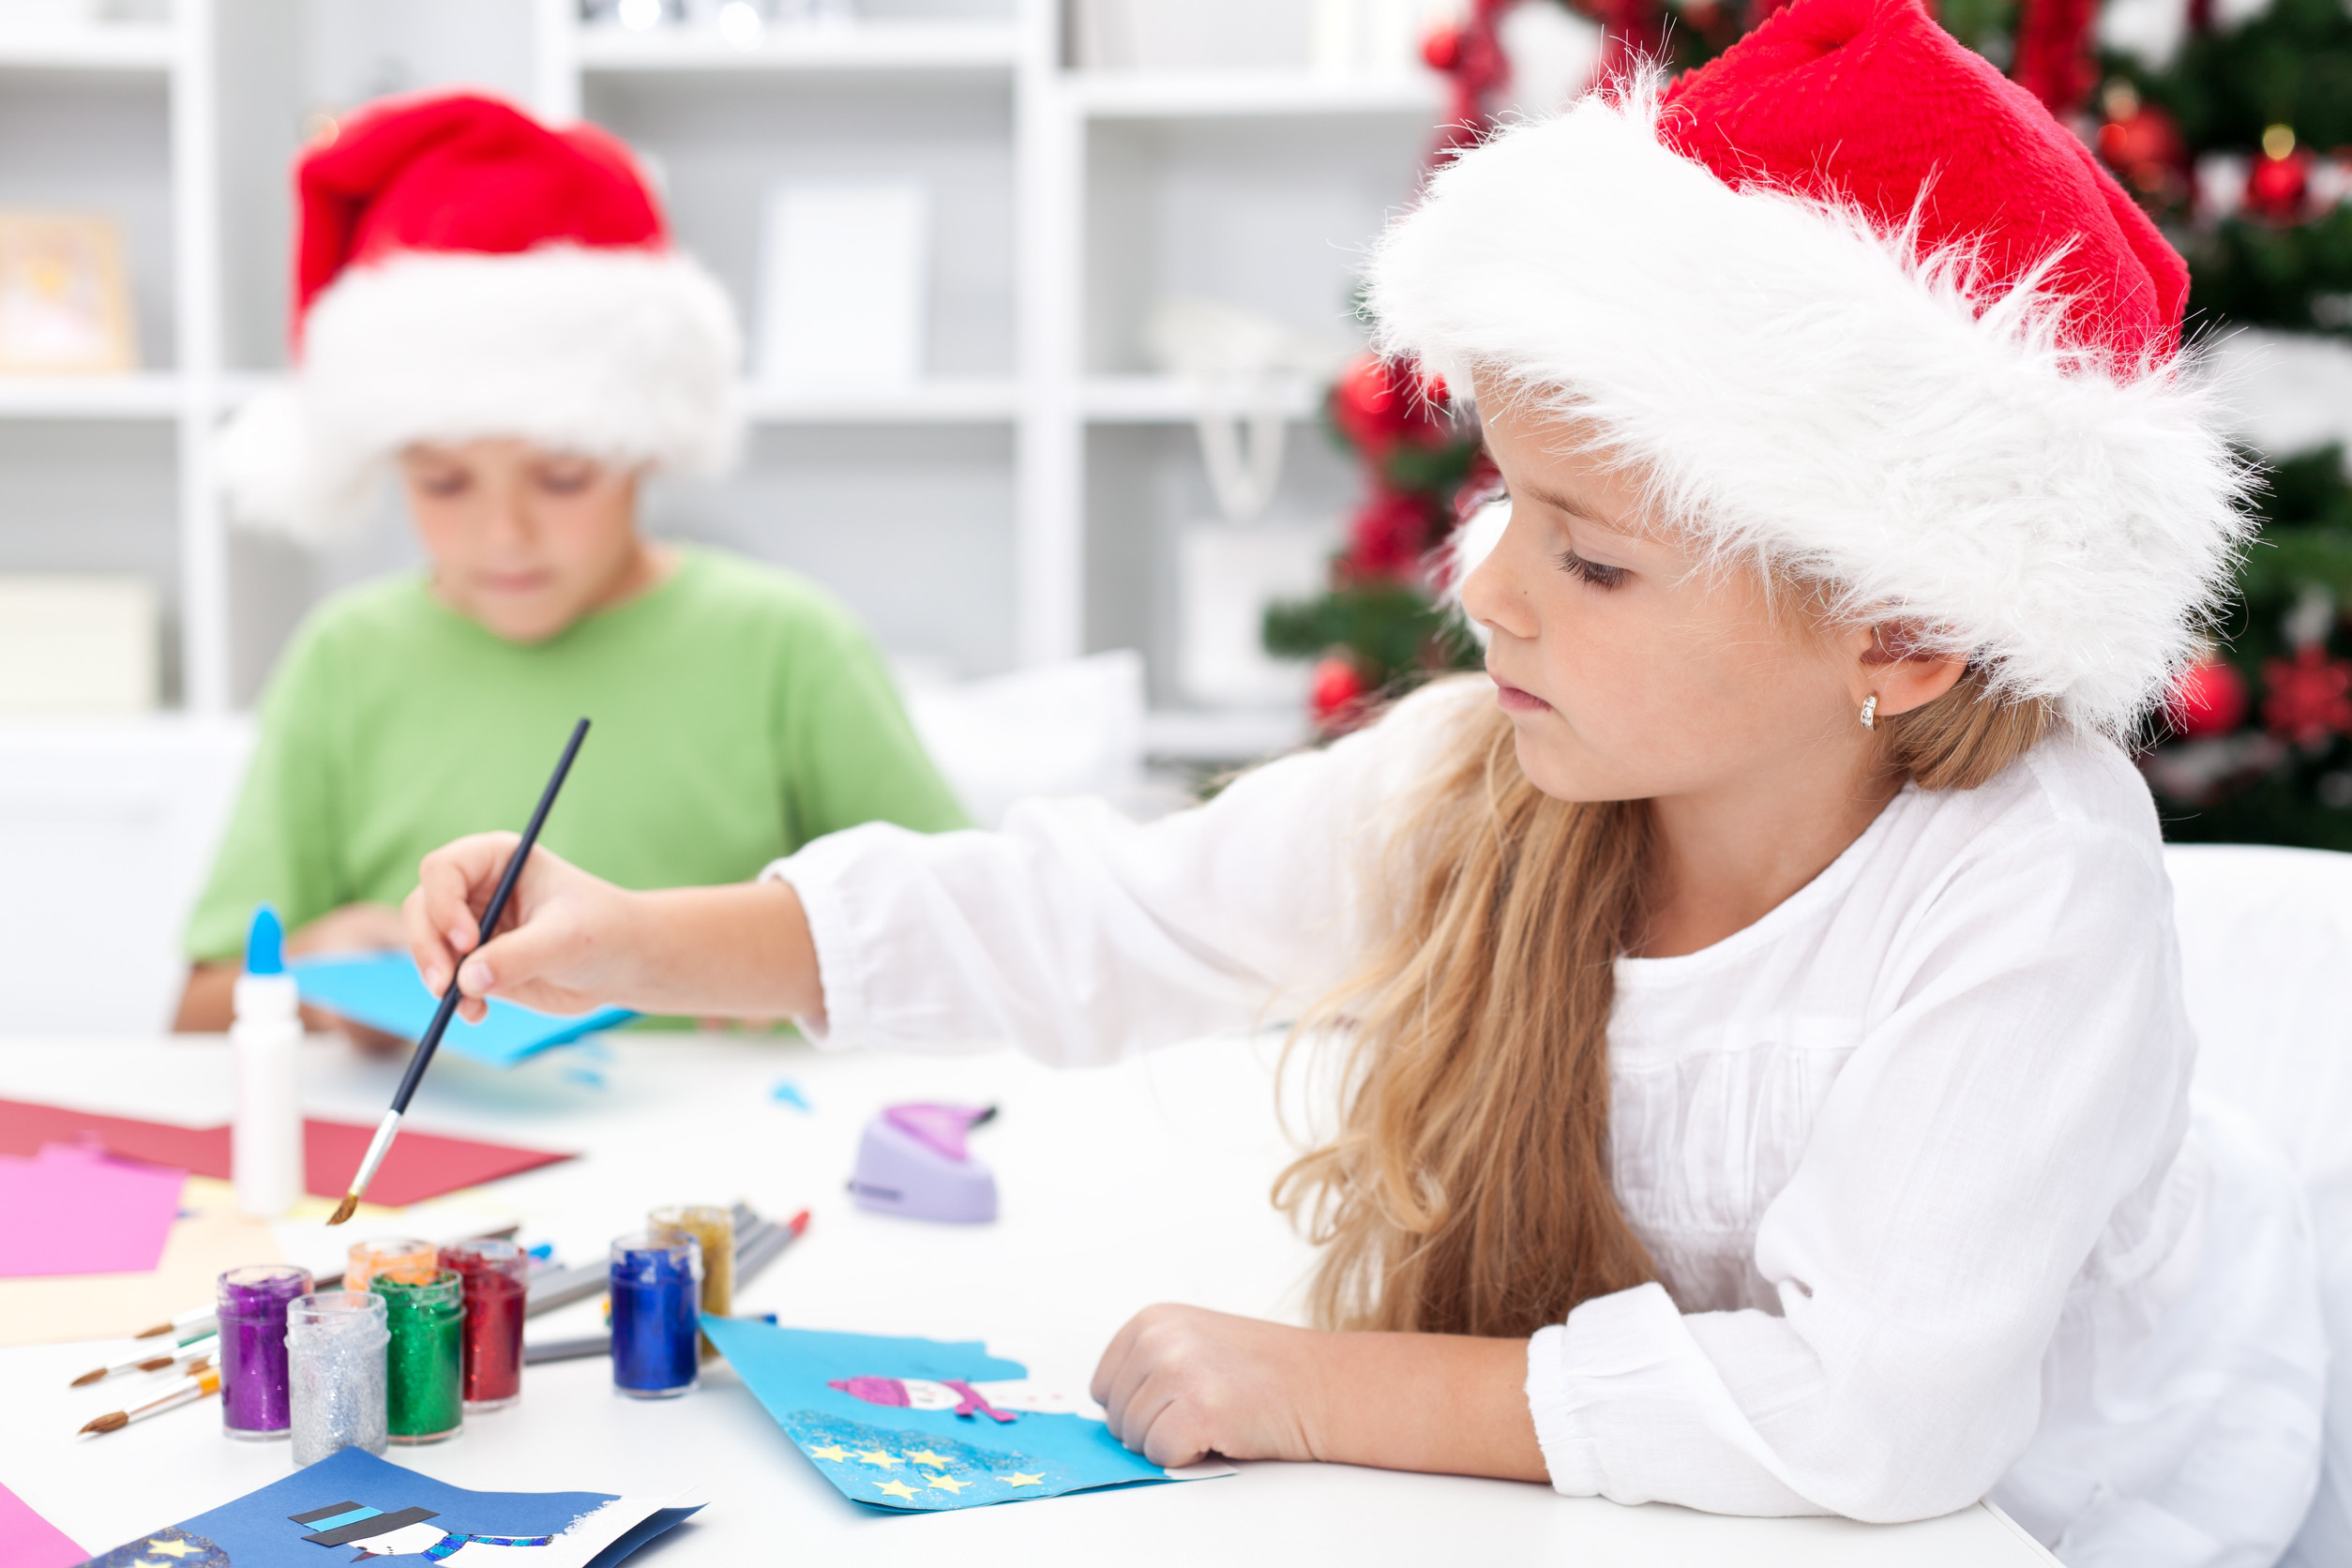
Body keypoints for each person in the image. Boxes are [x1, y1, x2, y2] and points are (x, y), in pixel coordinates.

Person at [398, 4, 2333, 1562]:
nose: (1478, 580)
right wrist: (632, 936)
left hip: (2068, 1511)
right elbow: (1107, 912)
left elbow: (1879, 1417)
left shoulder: (2030, 870)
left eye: (1587, 554)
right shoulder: (1505, 768)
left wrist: (1319, 1383)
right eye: (1502, 495)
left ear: (1898, 634)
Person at [174, 93, 964, 1033]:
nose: (504, 534)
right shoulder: (346, 656)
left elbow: (967, 941)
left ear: (648, 446)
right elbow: (195, 1013)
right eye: (443, 482)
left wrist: (782, 968)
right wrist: (308, 982)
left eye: (561, 478)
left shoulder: (787, 645)